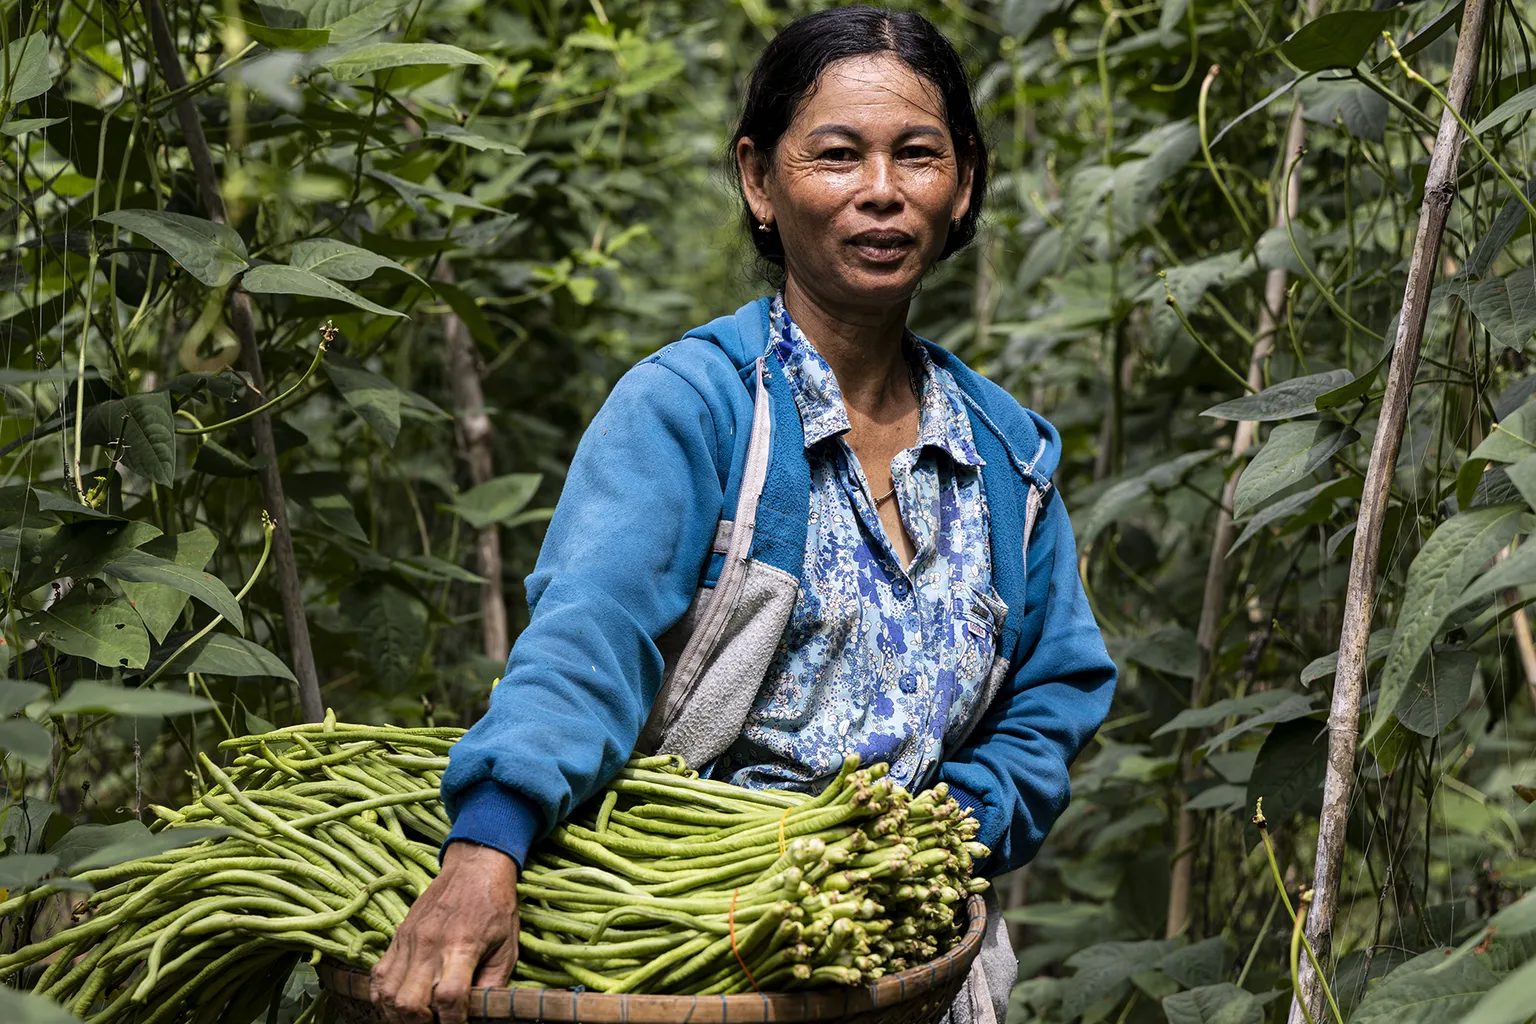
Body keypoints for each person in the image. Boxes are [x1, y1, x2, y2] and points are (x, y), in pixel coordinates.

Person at [370, 7, 1116, 1023]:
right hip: (684, 969)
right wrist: (486, 844)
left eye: (918, 155)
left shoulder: (1005, 456)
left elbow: (1057, 690)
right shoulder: (695, 410)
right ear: (761, 181)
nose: (882, 192)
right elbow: (591, 631)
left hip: (909, 978)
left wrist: (941, 833)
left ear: (966, 181)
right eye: (838, 155)